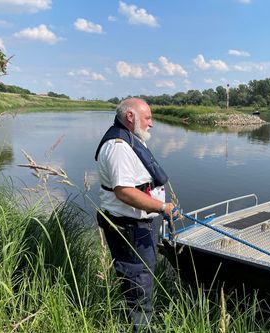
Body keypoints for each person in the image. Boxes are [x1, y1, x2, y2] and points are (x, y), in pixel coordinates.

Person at [95, 98, 178, 332]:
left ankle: (133, 322)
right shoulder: (119, 147)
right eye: (148, 117)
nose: (152, 123)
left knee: (139, 278)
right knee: (138, 281)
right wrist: (162, 207)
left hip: (140, 225)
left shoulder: (130, 139)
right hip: (131, 228)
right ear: (130, 117)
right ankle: (141, 328)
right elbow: (124, 192)